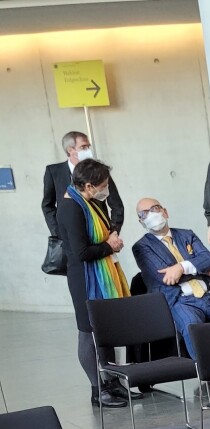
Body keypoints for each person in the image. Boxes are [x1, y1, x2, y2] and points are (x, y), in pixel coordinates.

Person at [130, 197, 210, 403]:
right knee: (193, 326)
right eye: (144, 213)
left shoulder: (187, 235)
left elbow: (209, 260)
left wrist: (180, 267)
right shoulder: (141, 247)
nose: (151, 215)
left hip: (209, 296)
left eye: (155, 209)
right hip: (180, 301)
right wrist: (199, 269)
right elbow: (163, 277)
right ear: (141, 221)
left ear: (165, 211)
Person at [55, 159, 135, 408]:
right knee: (88, 333)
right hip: (85, 279)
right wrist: (108, 246)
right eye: (102, 185)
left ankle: (112, 380)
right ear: (88, 186)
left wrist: (112, 235)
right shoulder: (71, 208)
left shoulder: (92, 201)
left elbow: (106, 227)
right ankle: (96, 389)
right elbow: (80, 252)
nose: (105, 189)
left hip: (104, 271)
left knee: (107, 329)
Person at [42, 132, 125, 251]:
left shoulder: (99, 171)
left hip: (101, 236)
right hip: (72, 239)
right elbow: (47, 205)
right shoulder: (54, 171)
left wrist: (113, 232)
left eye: (88, 147)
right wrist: (59, 232)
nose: (88, 150)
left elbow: (116, 205)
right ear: (70, 150)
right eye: (83, 147)